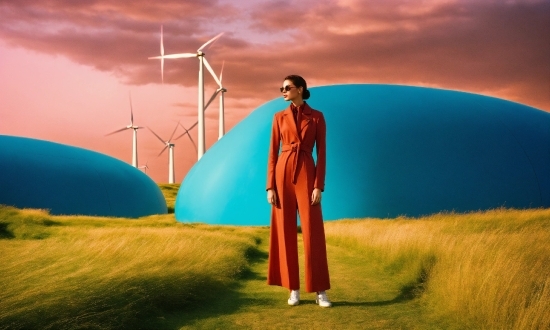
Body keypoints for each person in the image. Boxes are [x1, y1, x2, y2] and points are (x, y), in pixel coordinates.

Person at [266, 74, 332, 308]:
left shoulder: (317, 117)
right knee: (284, 231)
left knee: (313, 232)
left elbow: (321, 153)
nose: (283, 91)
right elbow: (272, 153)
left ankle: (320, 291)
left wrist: (318, 185)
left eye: (287, 87)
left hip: (306, 169)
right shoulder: (278, 117)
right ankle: (293, 289)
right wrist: (270, 186)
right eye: (281, 87)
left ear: (300, 89)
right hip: (283, 171)